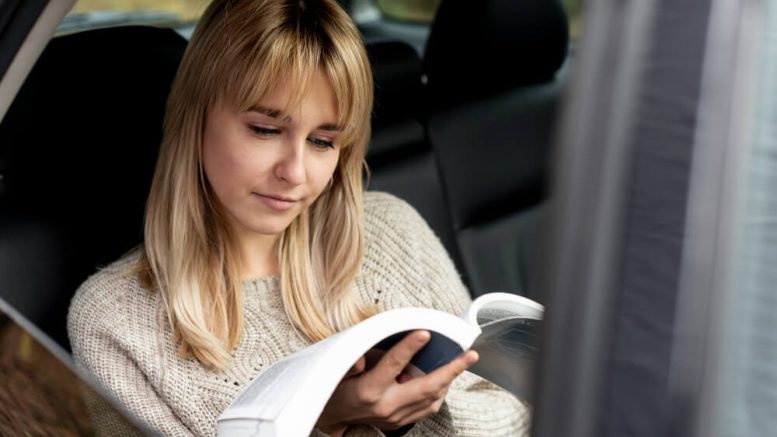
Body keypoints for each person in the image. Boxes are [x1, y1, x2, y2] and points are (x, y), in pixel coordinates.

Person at [67, 0, 530, 435]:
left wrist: (413, 421)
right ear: (195, 117)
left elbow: (515, 412)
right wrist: (320, 423)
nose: (294, 172)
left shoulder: (393, 228)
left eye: (323, 141)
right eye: (266, 130)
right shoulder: (113, 323)